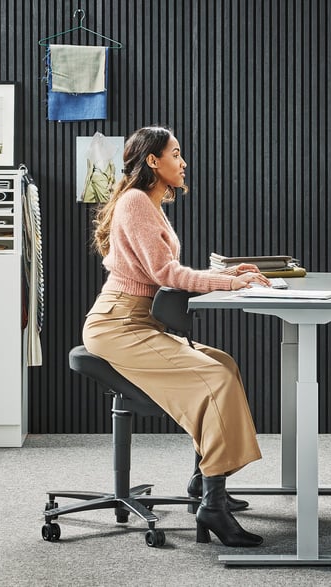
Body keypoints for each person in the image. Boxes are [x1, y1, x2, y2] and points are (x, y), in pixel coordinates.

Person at [83, 126, 269, 547]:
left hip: (140, 322)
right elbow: (165, 274)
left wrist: (227, 274)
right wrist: (226, 284)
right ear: (153, 161)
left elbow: (163, 269)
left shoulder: (149, 203)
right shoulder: (136, 202)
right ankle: (213, 505)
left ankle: (203, 482)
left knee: (223, 365)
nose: (183, 162)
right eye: (176, 154)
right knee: (214, 380)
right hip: (117, 325)